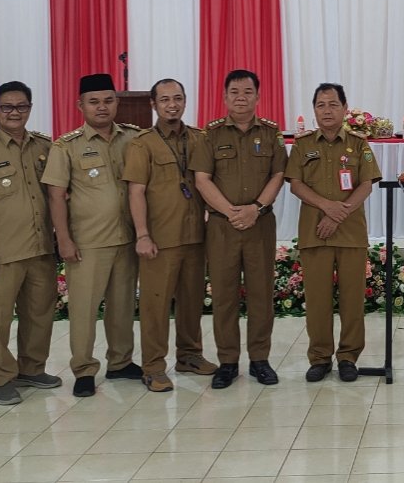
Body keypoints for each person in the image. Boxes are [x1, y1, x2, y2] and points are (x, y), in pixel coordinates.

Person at [41, 73, 143, 398]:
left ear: (117, 102)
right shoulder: (67, 146)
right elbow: (56, 195)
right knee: (84, 309)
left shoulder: (134, 139)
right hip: (88, 242)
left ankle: (121, 361)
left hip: (126, 239)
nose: (102, 107)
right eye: (94, 101)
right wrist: (64, 240)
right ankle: (84, 369)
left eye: (108, 100)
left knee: (122, 306)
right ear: (80, 105)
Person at [0, 82, 62, 405]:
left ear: (30, 108)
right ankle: (1, 378)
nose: (14, 113)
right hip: (2, 252)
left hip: (40, 248)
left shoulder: (45, 147)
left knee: (40, 313)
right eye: (7, 107)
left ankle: (32, 368)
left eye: (21, 106)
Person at [191, 69, 286, 389]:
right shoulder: (211, 134)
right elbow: (201, 179)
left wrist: (255, 209)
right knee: (224, 296)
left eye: (247, 92)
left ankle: (260, 359)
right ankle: (228, 361)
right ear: (224, 97)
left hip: (259, 224)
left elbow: (278, 176)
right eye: (234, 92)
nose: (241, 97)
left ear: (258, 97)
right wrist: (231, 212)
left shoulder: (272, 133)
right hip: (222, 227)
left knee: (261, 295)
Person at [122, 79, 218, 393]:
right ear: (153, 104)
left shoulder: (199, 139)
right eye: (164, 100)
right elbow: (135, 191)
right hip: (160, 239)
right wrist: (143, 235)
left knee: (191, 302)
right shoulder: (142, 143)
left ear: (186, 100)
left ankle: (190, 355)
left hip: (194, 235)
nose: (172, 105)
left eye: (177, 98)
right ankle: (153, 366)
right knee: (156, 305)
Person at [287, 83, 381, 382]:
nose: (326, 111)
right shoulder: (302, 145)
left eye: (332, 104)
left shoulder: (359, 143)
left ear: (344, 108)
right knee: (317, 299)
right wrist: (328, 207)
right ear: (314, 110)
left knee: (352, 299)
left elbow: (366, 183)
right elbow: (296, 184)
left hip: (350, 233)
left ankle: (348, 357)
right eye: (320, 105)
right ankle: (319, 358)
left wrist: (340, 212)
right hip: (315, 232)